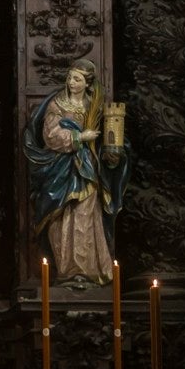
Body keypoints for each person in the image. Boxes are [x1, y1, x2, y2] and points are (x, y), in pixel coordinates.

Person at [26, 59, 130, 286]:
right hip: (61, 168)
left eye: (77, 79)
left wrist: (111, 154)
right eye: (70, 78)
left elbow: (107, 139)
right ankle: (66, 271)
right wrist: (79, 136)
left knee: (84, 217)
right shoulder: (58, 104)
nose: (71, 82)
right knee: (60, 218)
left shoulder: (95, 107)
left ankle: (85, 271)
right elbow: (50, 135)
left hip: (87, 170)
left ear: (88, 83)